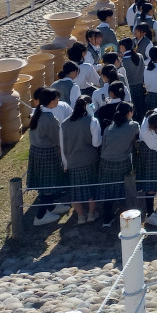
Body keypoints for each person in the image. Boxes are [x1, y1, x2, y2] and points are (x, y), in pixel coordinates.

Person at [28, 88, 69, 226]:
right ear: (51, 101)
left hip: (37, 152)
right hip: (48, 154)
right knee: (48, 185)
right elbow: (59, 139)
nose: (58, 101)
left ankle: (51, 207)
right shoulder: (49, 118)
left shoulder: (37, 114)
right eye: (56, 99)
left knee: (46, 184)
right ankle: (40, 216)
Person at [61, 96, 101, 225]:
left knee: (76, 191)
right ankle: (91, 213)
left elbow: (62, 147)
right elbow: (96, 143)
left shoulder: (64, 124)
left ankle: (81, 216)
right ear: (88, 106)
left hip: (72, 161)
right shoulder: (92, 121)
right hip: (89, 160)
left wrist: (65, 164)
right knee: (91, 188)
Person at [98, 102, 139, 227]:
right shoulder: (133, 126)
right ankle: (126, 218)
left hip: (105, 162)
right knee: (123, 189)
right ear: (129, 113)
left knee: (108, 190)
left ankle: (106, 218)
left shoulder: (109, 128)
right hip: (121, 161)